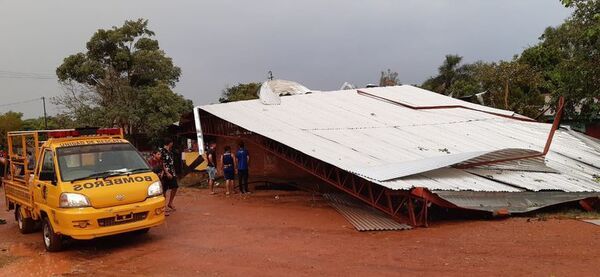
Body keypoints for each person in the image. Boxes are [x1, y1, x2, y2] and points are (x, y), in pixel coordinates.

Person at [160, 138, 178, 212]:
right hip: (165, 173)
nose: (172, 144)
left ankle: (170, 203)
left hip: (172, 172)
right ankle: (163, 206)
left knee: (175, 186)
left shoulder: (170, 152)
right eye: (172, 143)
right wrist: (166, 173)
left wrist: (174, 172)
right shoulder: (162, 151)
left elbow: (171, 163)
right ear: (170, 143)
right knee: (164, 189)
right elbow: (162, 163)